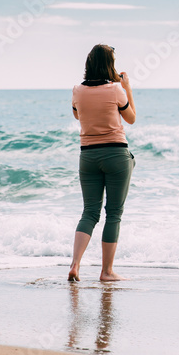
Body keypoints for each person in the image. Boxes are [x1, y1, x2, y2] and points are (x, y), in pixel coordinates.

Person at [67, 44, 136, 282]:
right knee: (113, 213)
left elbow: (78, 115)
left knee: (89, 212)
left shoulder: (77, 90)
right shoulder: (116, 90)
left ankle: (75, 264)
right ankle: (106, 272)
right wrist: (127, 88)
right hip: (116, 154)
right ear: (110, 65)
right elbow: (132, 119)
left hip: (87, 156)